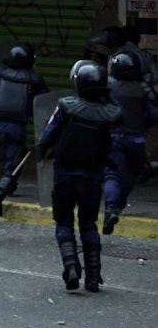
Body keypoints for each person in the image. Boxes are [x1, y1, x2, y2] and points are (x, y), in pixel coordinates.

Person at [37, 62, 122, 292]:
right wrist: (106, 94)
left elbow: (48, 135)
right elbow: (118, 117)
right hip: (92, 179)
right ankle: (93, 276)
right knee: (88, 225)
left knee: (64, 222)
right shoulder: (108, 114)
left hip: (65, 176)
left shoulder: (66, 108)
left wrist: (42, 150)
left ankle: (72, 267)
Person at [0, 42, 49, 221]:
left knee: (8, 156)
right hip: (15, 127)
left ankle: (9, 186)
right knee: (12, 162)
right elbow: (42, 103)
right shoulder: (34, 79)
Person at [102, 51, 158, 235]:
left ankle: (111, 207)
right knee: (131, 174)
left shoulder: (108, 88)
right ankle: (118, 205)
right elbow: (155, 115)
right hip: (136, 140)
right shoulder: (144, 89)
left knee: (111, 174)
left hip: (113, 139)